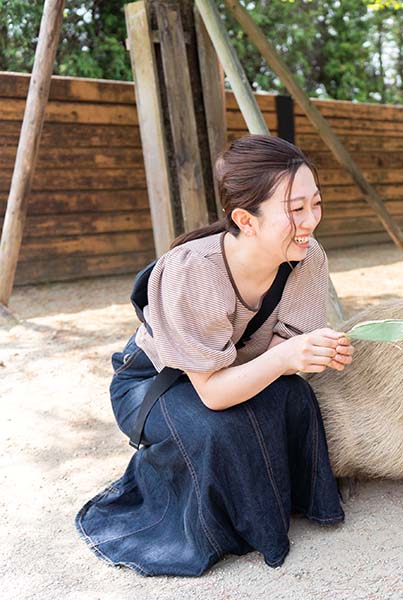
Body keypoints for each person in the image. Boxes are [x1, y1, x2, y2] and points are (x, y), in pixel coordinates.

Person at [76, 135, 353, 575]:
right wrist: (285, 359)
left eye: (315, 204)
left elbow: (282, 357)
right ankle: (203, 522)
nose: (311, 220)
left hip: (226, 373)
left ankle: (290, 504)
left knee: (295, 396)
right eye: (295, 210)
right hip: (154, 383)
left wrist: (307, 353)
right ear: (246, 218)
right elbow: (214, 394)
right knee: (216, 426)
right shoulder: (193, 270)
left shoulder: (308, 258)